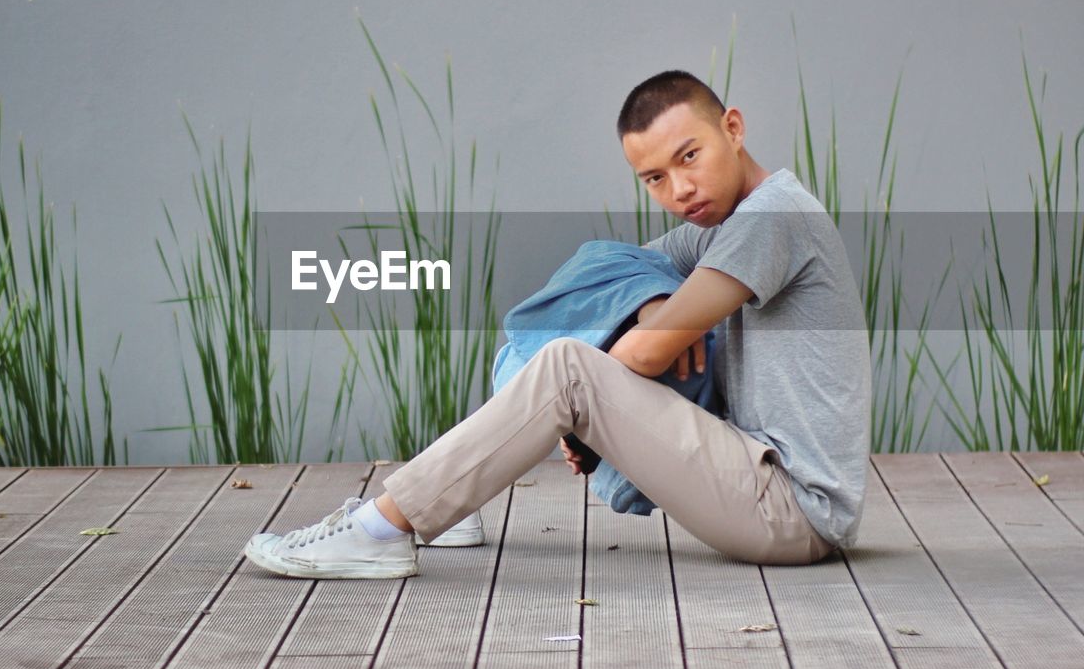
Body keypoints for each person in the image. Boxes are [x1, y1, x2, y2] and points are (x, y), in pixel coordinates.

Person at [244, 70, 871, 578]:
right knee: (556, 328)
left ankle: (382, 528)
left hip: (793, 510)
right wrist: (652, 303)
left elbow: (646, 357)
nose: (680, 189)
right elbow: (595, 274)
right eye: (655, 177)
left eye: (690, 156)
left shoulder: (774, 216)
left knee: (569, 368)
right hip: (756, 482)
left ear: (732, 128)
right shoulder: (723, 227)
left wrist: (590, 416)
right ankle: (450, 501)